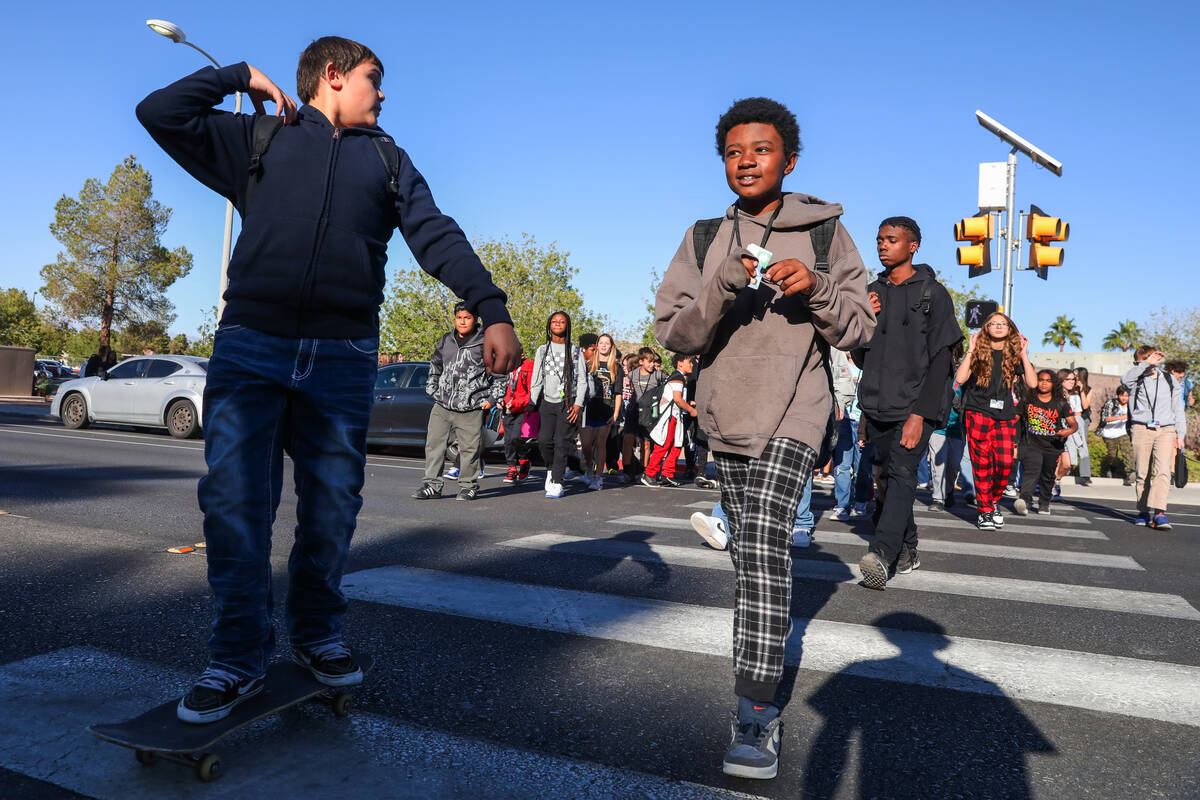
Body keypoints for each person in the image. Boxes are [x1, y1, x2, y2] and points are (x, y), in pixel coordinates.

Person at [137, 36, 520, 723]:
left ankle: (317, 638)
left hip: (342, 357)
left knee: (332, 510)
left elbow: (435, 233)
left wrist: (491, 308)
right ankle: (236, 660)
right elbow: (159, 112)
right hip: (251, 348)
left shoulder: (387, 157)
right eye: (376, 79)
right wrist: (237, 75)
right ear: (334, 77)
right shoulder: (260, 137)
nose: (383, 93)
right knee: (236, 509)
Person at [655, 97, 874, 779]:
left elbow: (862, 329)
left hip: (798, 409)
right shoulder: (700, 238)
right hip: (726, 415)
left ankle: (754, 712)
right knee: (754, 552)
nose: (747, 161)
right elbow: (674, 335)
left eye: (762, 149)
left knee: (761, 539)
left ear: (790, 159)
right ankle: (763, 629)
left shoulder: (825, 232)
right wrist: (720, 283)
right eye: (733, 151)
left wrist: (814, 290)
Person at [854, 217, 959, 586]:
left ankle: (881, 554)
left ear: (912, 246)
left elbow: (942, 360)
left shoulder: (933, 294)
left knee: (902, 475)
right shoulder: (870, 292)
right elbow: (860, 357)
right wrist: (865, 322)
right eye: (880, 239)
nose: (883, 245)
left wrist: (920, 414)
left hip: (914, 406)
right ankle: (908, 547)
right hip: (875, 404)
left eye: (892, 240)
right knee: (885, 479)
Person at [412, 304, 505, 501]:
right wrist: (433, 389)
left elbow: (500, 373)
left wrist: (491, 399)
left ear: (475, 319)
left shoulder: (486, 343)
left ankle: (468, 486)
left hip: (471, 408)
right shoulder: (446, 340)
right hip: (442, 405)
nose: (462, 321)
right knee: (434, 446)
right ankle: (432, 486)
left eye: (467, 317)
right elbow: (435, 364)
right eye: (459, 317)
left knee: (469, 450)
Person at [954, 313, 1038, 530]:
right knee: (981, 464)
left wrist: (1024, 355)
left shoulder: (1014, 354)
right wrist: (971, 349)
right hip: (977, 411)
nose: (999, 326)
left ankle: (991, 502)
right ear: (986, 327)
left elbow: (1032, 382)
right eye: (994, 323)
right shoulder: (979, 351)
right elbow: (961, 379)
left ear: (1010, 328)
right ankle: (985, 511)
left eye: (1003, 323)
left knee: (1004, 463)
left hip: (1006, 414)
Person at [1123, 346, 1187, 529]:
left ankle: (1159, 512)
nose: (1147, 363)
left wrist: (1180, 435)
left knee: (1163, 471)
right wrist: (1144, 364)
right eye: (1140, 361)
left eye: (1151, 359)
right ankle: (1143, 510)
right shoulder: (1136, 379)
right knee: (1142, 473)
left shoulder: (1169, 380)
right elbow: (1124, 381)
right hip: (1141, 428)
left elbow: (1178, 409)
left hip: (1166, 429)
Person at [529, 311, 588, 499]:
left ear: (567, 326)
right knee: (544, 440)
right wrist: (532, 401)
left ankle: (557, 482)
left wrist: (578, 405)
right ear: (549, 325)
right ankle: (550, 469)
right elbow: (537, 379)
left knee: (563, 442)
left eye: (562, 322)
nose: (558, 324)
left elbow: (582, 381)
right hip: (547, 402)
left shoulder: (576, 351)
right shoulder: (542, 350)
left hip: (568, 404)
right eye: (554, 321)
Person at [1014, 370, 1078, 516]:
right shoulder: (1028, 400)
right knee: (1032, 469)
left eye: (1047, 380)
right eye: (1041, 379)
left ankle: (1044, 503)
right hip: (1030, 443)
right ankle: (1024, 500)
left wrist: (1069, 431)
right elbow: (1015, 417)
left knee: (1048, 476)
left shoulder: (1060, 402)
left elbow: (1073, 424)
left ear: (1053, 383)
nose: (1043, 383)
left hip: (1053, 446)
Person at [642, 354, 696, 488]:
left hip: (676, 416)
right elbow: (677, 399)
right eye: (689, 362)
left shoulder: (678, 378)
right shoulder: (677, 378)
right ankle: (649, 474)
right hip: (670, 417)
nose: (692, 365)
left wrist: (688, 403)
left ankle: (667, 474)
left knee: (677, 445)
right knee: (664, 445)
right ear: (680, 363)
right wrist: (691, 409)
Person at [580, 333, 623, 490]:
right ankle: (589, 468)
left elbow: (618, 393)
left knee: (600, 444)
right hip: (588, 409)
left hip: (606, 410)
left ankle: (599, 477)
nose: (604, 345)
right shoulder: (588, 364)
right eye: (601, 343)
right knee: (585, 444)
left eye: (607, 343)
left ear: (611, 346)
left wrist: (616, 414)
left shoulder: (616, 367)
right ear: (596, 346)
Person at [622, 347, 665, 482]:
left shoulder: (658, 375)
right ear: (641, 362)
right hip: (633, 410)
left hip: (648, 412)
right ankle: (627, 471)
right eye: (649, 362)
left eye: (654, 362)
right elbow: (629, 387)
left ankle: (645, 470)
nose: (652, 364)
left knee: (646, 444)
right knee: (628, 440)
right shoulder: (632, 374)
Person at [829, 350, 863, 520]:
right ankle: (842, 506)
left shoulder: (866, 367)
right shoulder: (839, 365)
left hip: (862, 421)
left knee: (861, 466)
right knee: (842, 465)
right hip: (843, 420)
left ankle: (861, 502)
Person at [501, 349, 536, 485]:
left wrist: (516, 402)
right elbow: (503, 386)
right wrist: (502, 401)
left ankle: (524, 461)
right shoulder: (507, 366)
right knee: (508, 440)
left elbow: (532, 391)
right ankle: (511, 468)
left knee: (516, 437)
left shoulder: (530, 366)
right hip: (508, 408)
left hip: (522, 408)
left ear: (522, 354)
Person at [1098, 385, 1134, 484]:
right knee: (1112, 455)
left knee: (1127, 451)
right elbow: (1105, 418)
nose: (1124, 398)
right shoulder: (1110, 403)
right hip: (1109, 433)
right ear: (1118, 395)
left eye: (1127, 396)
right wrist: (1121, 417)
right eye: (1122, 395)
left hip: (1123, 432)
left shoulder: (1131, 405)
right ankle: (1112, 468)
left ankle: (1130, 472)